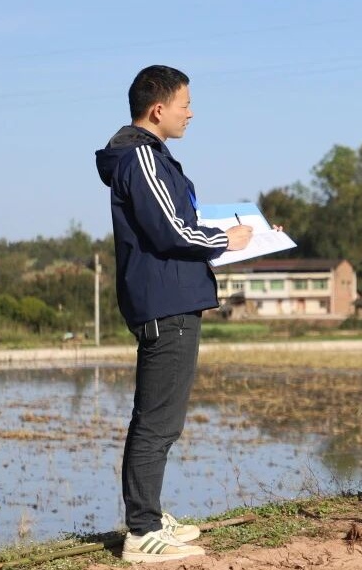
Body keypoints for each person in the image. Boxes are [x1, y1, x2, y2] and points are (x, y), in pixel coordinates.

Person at [95, 65, 253, 563]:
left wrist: (230, 235)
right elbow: (171, 230)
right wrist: (227, 238)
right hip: (166, 304)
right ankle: (141, 533)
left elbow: (177, 221)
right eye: (185, 104)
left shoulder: (150, 156)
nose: (191, 113)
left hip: (173, 300)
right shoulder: (141, 156)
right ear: (158, 108)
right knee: (157, 420)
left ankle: (150, 514)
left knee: (163, 418)